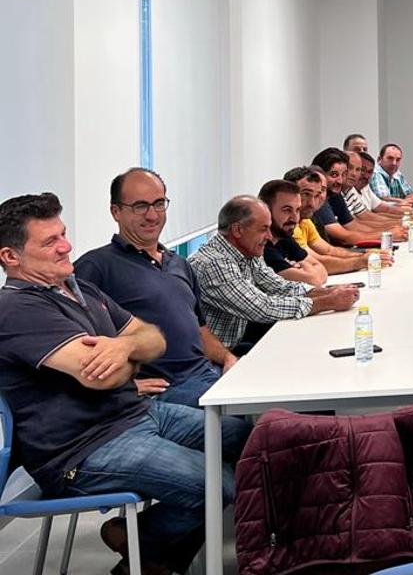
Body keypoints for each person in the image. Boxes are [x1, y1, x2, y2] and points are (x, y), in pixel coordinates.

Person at [0, 192, 248, 575]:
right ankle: (147, 548)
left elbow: (154, 338)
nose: (66, 246)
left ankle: (147, 551)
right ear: (10, 257)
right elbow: (104, 376)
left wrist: (124, 346)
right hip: (83, 449)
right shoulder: (17, 309)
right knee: (216, 485)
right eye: (50, 242)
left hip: (138, 414)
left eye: (63, 234)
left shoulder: (80, 290)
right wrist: (129, 353)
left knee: (243, 439)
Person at [74, 168, 241, 409]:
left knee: (273, 399)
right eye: (140, 206)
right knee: (248, 422)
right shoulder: (96, 267)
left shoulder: (180, 264)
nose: (152, 215)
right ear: (116, 212)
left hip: (207, 373)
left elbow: (200, 331)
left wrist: (228, 358)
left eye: (159, 203)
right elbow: (79, 342)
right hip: (166, 390)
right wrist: (126, 387)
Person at [190, 196, 360, 351]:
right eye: (264, 229)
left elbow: (280, 286)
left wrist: (329, 291)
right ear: (237, 230)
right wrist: (328, 302)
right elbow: (262, 308)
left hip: (233, 344)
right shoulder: (214, 263)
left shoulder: (246, 251)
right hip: (211, 358)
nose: (269, 236)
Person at [284, 167, 377, 274]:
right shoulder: (289, 226)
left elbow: (329, 250)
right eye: (306, 194)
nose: (312, 203)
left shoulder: (305, 221)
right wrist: (361, 261)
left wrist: (366, 255)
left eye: (317, 195)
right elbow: (315, 262)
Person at [311, 148, 408, 246]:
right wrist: (388, 234)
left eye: (344, 174)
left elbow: (354, 226)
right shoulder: (318, 200)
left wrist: (392, 230)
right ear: (319, 175)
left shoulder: (335, 194)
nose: (340, 180)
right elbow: (344, 238)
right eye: (334, 175)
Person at [258, 179, 329, 286]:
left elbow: (322, 269)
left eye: (297, 210)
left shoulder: (283, 237)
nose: (295, 218)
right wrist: (305, 268)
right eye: (287, 210)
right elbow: (314, 280)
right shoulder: (262, 246)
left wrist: (301, 267)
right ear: (266, 210)